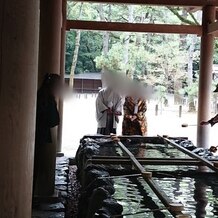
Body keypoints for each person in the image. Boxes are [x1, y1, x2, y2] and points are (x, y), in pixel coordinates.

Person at [33, 73, 62, 197]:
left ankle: (32, 196)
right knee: (35, 167)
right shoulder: (48, 99)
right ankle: (32, 197)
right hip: (40, 135)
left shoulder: (39, 95)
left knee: (35, 167)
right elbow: (54, 120)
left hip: (35, 134)